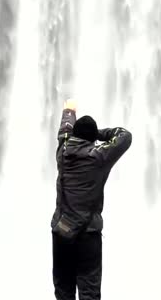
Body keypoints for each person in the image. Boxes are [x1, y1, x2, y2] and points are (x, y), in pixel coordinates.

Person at [51, 98, 132, 300]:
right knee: (89, 291)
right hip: (88, 235)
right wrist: (99, 134)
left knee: (63, 289)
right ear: (92, 139)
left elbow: (66, 124)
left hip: (62, 231)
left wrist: (69, 108)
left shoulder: (63, 149)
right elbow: (125, 136)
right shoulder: (100, 157)